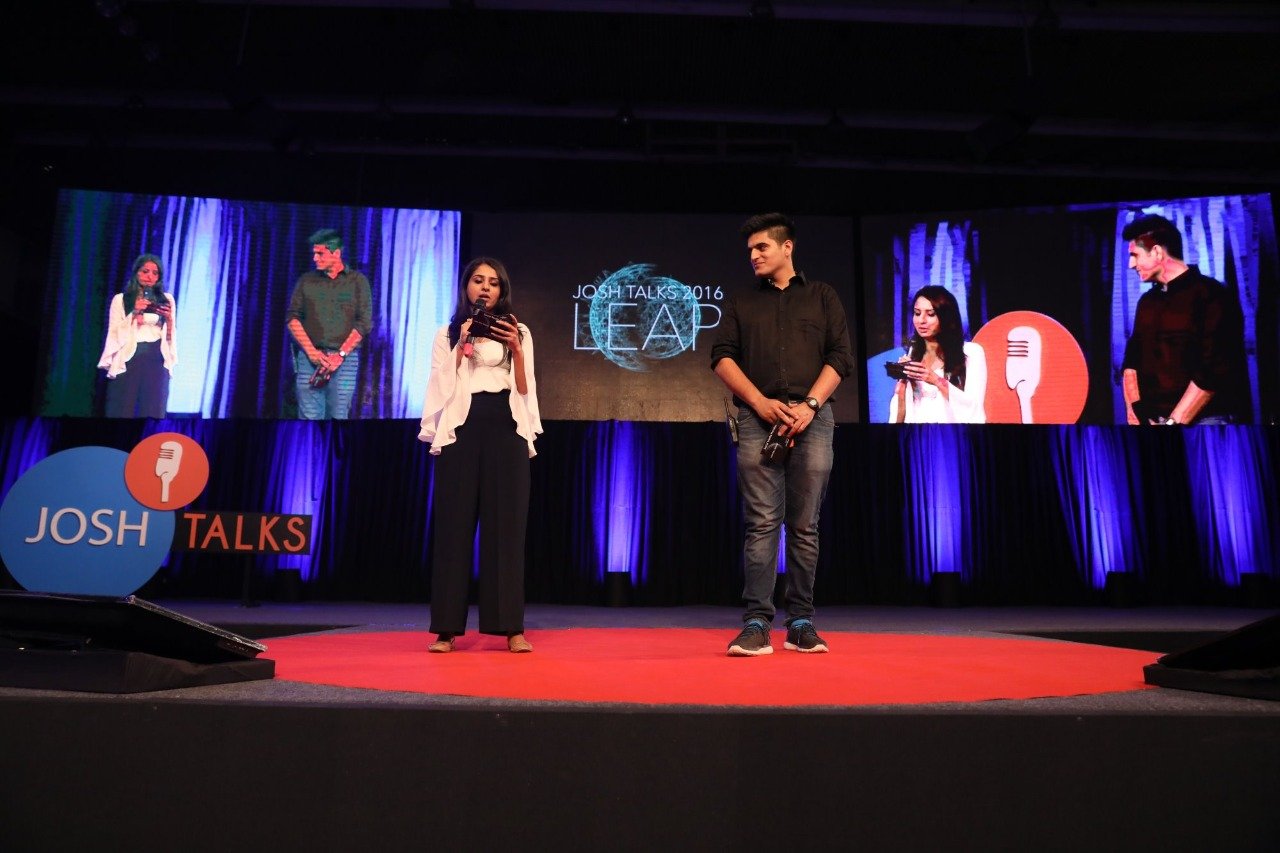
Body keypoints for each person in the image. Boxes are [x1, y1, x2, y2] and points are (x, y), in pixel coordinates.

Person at [711, 213, 854, 656]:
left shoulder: (822, 296)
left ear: (786, 247)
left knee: (805, 525)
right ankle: (756, 623)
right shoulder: (741, 301)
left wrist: (809, 406)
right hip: (758, 420)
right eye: (750, 250)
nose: (753, 256)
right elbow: (721, 358)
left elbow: (840, 357)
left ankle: (801, 622)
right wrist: (759, 402)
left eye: (762, 248)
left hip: (813, 419)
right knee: (761, 524)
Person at [419, 257, 541, 654]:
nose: (485, 288)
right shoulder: (447, 332)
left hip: (506, 426)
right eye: (478, 280)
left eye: (493, 282)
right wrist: (461, 344)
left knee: (507, 530)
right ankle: (446, 629)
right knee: (453, 528)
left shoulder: (519, 330)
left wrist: (516, 349)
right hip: (462, 429)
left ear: (502, 291)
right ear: (467, 287)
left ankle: (511, 627)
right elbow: (439, 384)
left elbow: (525, 387)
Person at [1121, 213, 1248, 425]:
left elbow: (1212, 371)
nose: (1130, 264)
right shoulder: (1146, 302)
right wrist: (1135, 415)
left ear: (1157, 252)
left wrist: (1172, 423)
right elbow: (1131, 362)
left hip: (1206, 421)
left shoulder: (1212, 294)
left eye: (1135, 255)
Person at [285, 228, 373, 419]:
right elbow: (292, 317)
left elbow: (364, 323)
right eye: (314, 253)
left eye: (320, 253)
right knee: (309, 417)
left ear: (336, 253)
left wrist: (340, 356)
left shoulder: (358, 282)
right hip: (309, 359)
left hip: (345, 360)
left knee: (338, 416)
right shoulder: (306, 281)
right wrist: (312, 352)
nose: (315, 258)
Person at [889, 285, 987, 423]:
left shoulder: (972, 352)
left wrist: (936, 380)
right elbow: (898, 420)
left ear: (946, 317)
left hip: (952, 434)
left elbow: (975, 411)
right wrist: (901, 391)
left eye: (930, 314)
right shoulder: (913, 354)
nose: (921, 320)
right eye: (917, 313)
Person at [97, 253, 177, 418]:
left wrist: (169, 319)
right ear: (136, 272)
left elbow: (170, 338)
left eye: (155, 273)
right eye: (145, 271)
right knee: (122, 408)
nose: (150, 276)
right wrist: (134, 312)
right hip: (129, 357)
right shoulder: (121, 300)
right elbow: (114, 333)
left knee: (153, 410)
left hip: (156, 357)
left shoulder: (167, 299)